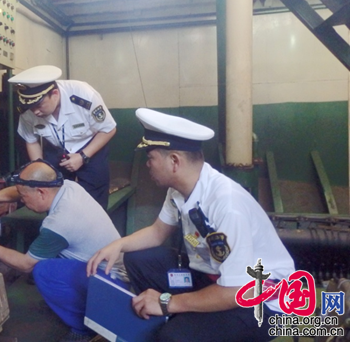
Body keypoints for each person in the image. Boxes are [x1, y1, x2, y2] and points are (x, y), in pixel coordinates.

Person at [87, 108, 296, 342]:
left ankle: (177, 322)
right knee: (138, 260)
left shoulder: (227, 204)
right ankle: (176, 318)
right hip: (213, 275)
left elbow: (236, 290)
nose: (147, 165)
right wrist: (118, 245)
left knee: (174, 337)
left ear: (174, 161)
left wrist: (166, 302)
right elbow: (157, 233)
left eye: (150, 158)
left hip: (259, 298)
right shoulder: (178, 191)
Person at [0, 159, 127, 342]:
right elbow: (22, 189)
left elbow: (26, 265)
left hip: (112, 282)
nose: (22, 200)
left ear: (41, 192)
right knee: (50, 260)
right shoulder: (67, 187)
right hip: (115, 268)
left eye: (24, 197)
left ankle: (83, 330)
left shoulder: (59, 222)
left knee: (42, 271)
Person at [8, 65, 116, 210]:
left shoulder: (83, 95)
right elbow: (31, 141)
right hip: (56, 148)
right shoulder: (28, 112)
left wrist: (83, 156)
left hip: (90, 146)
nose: (35, 112)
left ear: (55, 94)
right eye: (31, 107)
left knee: (95, 197)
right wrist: (40, 169)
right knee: (51, 193)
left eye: (39, 105)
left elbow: (108, 129)